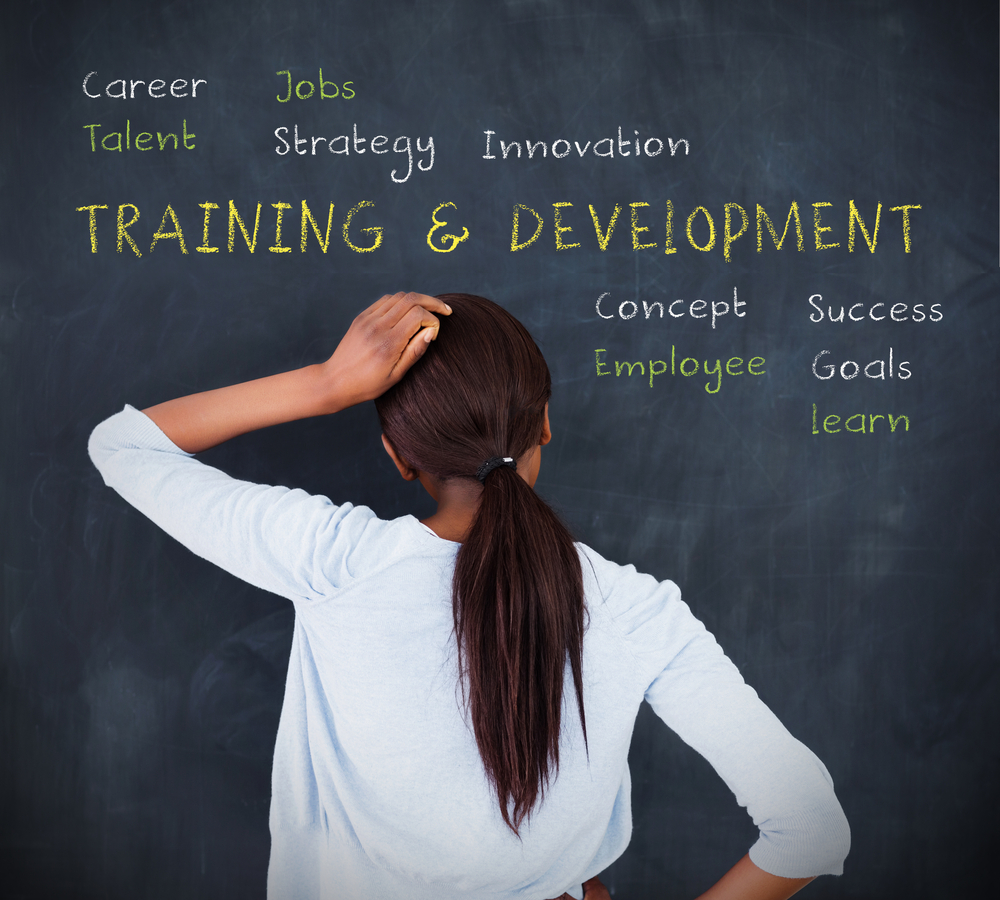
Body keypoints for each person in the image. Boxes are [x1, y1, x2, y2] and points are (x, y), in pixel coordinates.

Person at [89, 292, 850, 900]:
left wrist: (327, 384)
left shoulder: (331, 561)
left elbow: (120, 447)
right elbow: (812, 827)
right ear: (546, 424)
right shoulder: (636, 609)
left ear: (396, 455)